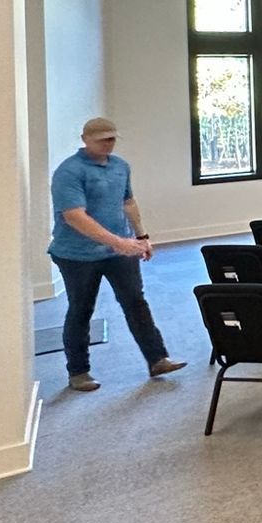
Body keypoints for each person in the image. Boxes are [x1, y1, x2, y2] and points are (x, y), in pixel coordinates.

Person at [48, 117, 184, 392]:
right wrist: (117, 242)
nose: (108, 144)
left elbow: (128, 202)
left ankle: (157, 358)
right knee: (81, 309)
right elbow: (74, 216)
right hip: (76, 255)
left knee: (135, 301)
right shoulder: (69, 172)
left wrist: (140, 236)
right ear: (85, 139)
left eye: (111, 139)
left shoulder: (121, 166)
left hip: (119, 250)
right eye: (102, 139)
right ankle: (78, 372)